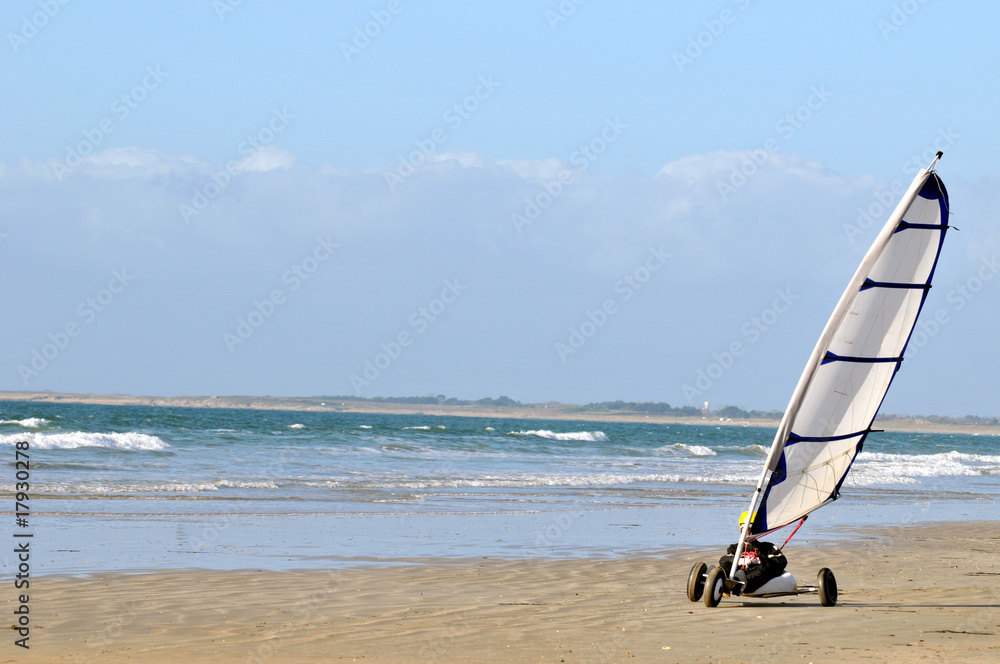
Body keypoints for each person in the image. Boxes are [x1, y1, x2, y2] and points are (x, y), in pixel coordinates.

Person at [718, 511, 787, 595]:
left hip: (754, 574)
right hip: (737, 571)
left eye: (749, 527)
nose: (746, 530)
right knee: (725, 564)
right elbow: (723, 559)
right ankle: (715, 579)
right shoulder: (735, 548)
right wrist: (739, 561)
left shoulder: (767, 547)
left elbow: (781, 561)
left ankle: (742, 583)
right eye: (744, 527)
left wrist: (759, 560)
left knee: (762, 569)